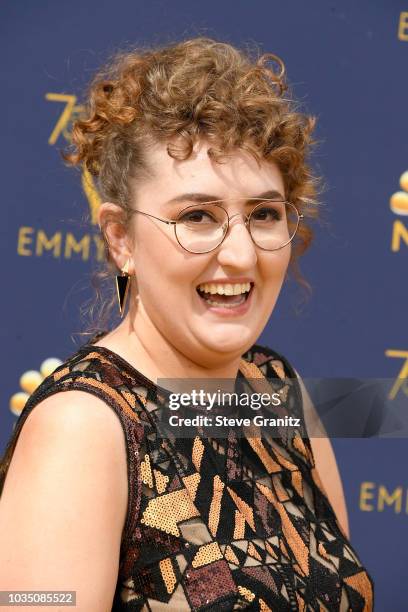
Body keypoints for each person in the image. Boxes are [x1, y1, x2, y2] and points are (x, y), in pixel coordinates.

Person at [0, 37, 374, 611]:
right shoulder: (83, 428)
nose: (243, 256)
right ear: (120, 238)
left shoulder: (279, 391)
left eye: (264, 214)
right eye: (197, 216)